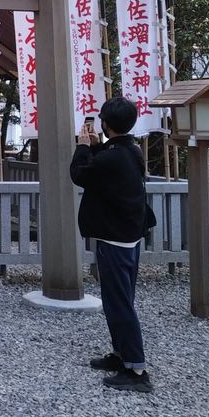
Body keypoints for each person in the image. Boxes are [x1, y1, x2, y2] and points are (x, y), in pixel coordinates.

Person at [70, 97, 153, 393]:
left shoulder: (113, 156)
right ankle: (121, 355)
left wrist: (82, 146)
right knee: (119, 300)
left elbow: (80, 174)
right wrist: (93, 146)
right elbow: (104, 161)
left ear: (106, 123)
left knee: (119, 304)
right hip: (128, 234)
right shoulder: (130, 150)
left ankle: (137, 369)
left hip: (115, 239)